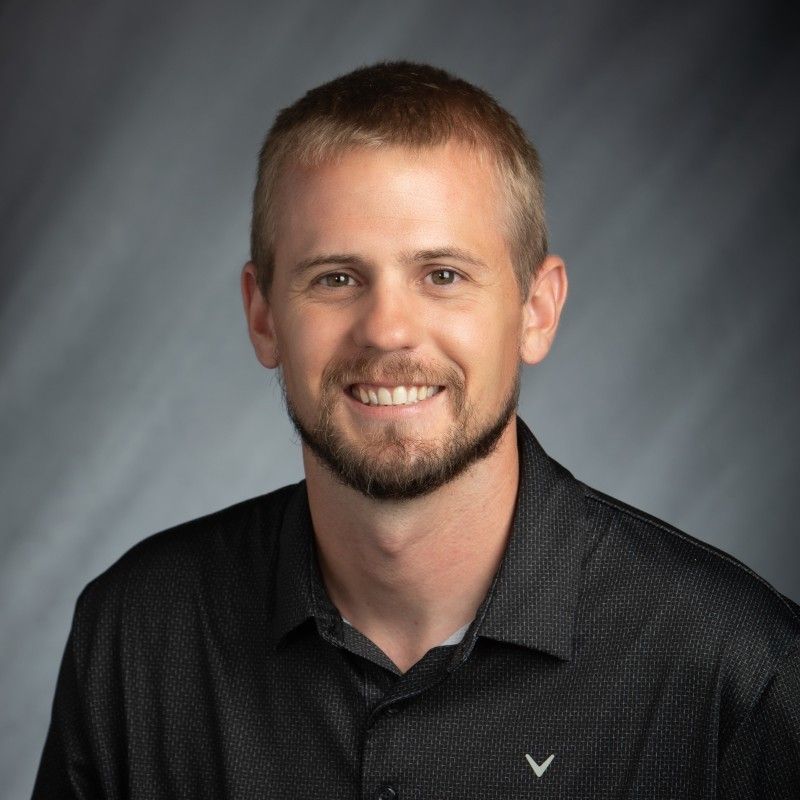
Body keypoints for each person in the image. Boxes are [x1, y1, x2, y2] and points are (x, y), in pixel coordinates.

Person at [33, 61, 799, 799]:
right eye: (336, 278)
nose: (389, 331)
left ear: (537, 309)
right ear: (263, 315)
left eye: (443, 275)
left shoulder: (738, 668)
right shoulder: (138, 633)